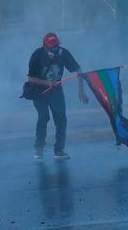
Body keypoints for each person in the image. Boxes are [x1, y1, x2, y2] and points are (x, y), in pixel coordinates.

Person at [27, 32, 88, 161]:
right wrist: (47, 83)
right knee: (43, 117)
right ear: (45, 46)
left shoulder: (62, 53)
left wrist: (81, 90)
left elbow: (78, 69)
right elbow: (30, 78)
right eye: (51, 46)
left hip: (56, 92)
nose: (54, 49)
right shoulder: (37, 55)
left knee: (61, 119)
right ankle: (39, 148)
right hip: (39, 92)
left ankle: (59, 150)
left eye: (55, 45)